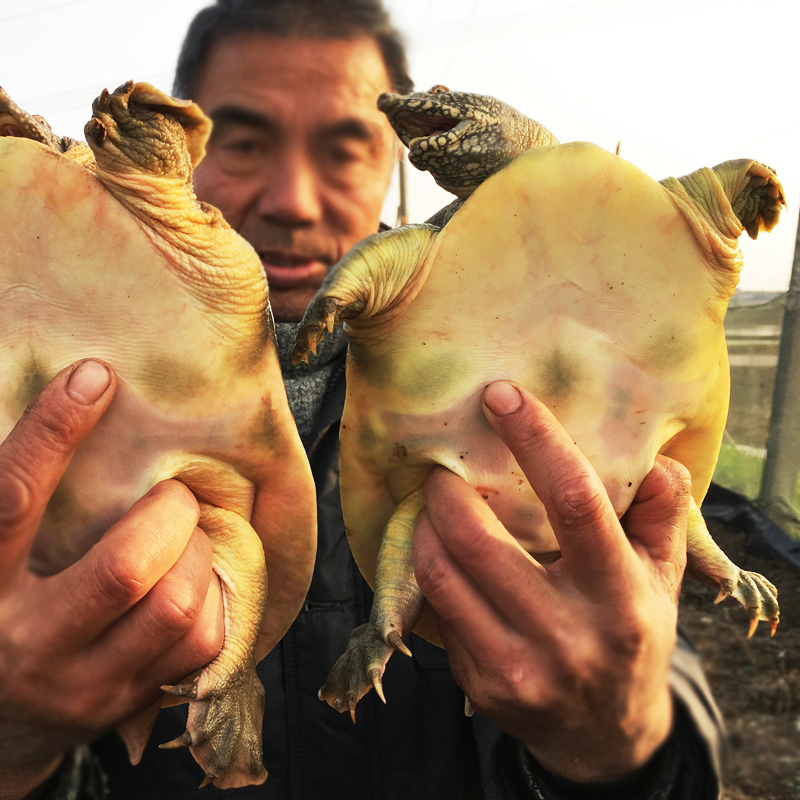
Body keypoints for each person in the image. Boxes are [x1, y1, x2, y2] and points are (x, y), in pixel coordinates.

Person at [0, 1, 725, 798]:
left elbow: (644, 648)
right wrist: (16, 747)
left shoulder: (545, 355)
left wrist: (617, 747)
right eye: (243, 141)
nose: (295, 200)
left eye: (345, 149)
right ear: (186, 148)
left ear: (397, 160)